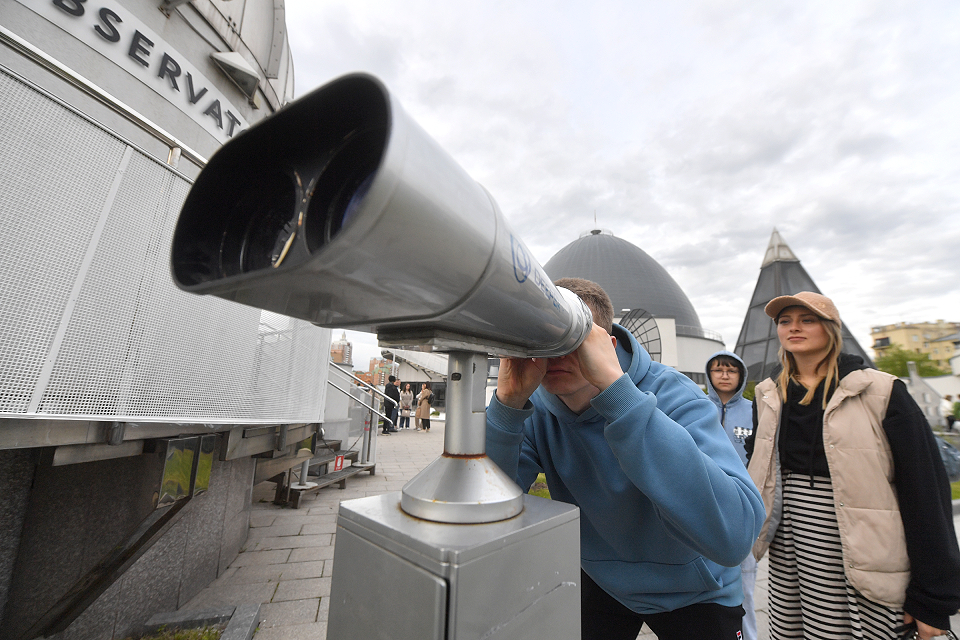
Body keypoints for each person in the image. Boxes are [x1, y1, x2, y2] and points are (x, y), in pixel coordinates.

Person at [486, 277, 764, 640]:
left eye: (571, 338)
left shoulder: (675, 396)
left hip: (696, 587)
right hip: (601, 577)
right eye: (543, 338)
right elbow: (484, 505)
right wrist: (506, 408)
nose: (555, 353)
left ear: (608, 346)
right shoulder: (536, 409)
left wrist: (620, 397)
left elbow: (737, 533)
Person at [746, 292, 960, 640]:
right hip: (793, 552)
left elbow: (924, 492)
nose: (794, 327)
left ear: (831, 328)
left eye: (807, 319)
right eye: (785, 321)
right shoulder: (769, 394)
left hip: (864, 547)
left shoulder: (881, 391)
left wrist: (933, 598)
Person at [705, 351, 758, 640]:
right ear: (709, 375)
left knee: (746, 585)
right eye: (718, 370)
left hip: (744, 510)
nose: (724, 375)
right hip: (706, 506)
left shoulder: (754, 411)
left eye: (731, 370)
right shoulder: (698, 406)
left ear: (741, 376)